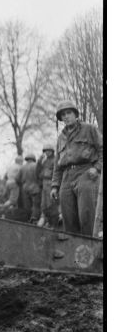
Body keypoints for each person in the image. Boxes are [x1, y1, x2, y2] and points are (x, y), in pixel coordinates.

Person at [51, 100, 103, 235]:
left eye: (69, 113)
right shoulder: (61, 137)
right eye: (63, 115)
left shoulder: (89, 129)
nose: (66, 117)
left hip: (86, 172)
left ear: (75, 114)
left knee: (86, 215)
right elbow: (57, 164)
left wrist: (97, 168)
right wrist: (55, 185)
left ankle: (90, 245)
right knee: (68, 218)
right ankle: (73, 246)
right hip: (67, 176)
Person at [36, 143, 59, 228]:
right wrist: (39, 161)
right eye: (45, 151)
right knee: (44, 204)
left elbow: (57, 173)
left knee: (51, 203)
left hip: (51, 182)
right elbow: (39, 171)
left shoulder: (55, 160)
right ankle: (46, 221)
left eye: (49, 151)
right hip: (44, 183)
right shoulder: (44, 161)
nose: (47, 152)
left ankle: (53, 223)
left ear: (52, 151)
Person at [15, 153, 41, 223]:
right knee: (36, 205)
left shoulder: (22, 167)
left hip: (25, 188)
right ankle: (34, 219)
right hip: (35, 188)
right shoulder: (36, 166)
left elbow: (17, 179)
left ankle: (27, 220)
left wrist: (22, 184)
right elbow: (40, 176)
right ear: (34, 159)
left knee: (27, 206)